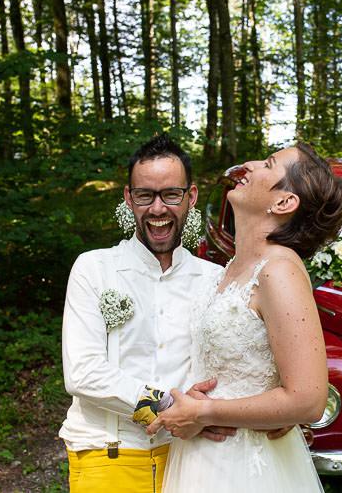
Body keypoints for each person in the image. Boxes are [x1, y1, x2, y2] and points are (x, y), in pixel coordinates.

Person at [148, 142, 342, 492]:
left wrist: (204, 413)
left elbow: (308, 399)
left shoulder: (279, 271)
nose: (250, 164)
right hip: (202, 461)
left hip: (246, 466)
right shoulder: (231, 269)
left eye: (268, 164)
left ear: (284, 202)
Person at [59, 135, 232, 492]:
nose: (157, 209)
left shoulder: (214, 278)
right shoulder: (94, 268)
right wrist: (170, 407)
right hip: (107, 454)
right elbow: (82, 373)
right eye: (144, 195)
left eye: (171, 194)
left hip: (192, 457)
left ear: (191, 197)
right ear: (128, 197)